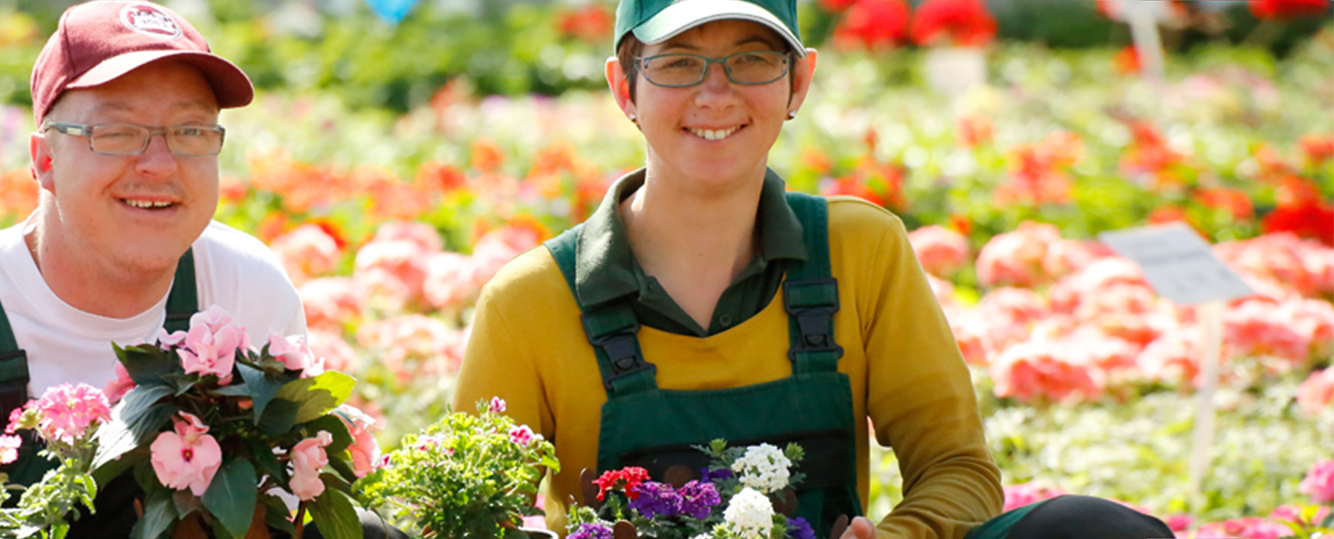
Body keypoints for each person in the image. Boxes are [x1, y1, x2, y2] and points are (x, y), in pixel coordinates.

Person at [450, 1, 1176, 539]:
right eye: (677, 63)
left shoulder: (859, 251)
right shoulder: (532, 300)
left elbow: (957, 466)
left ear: (799, 81)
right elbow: (471, 516)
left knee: (1091, 530)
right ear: (623, 87)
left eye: (752, 59)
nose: (715, 93)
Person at [0, 3, 405, 538]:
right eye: (117, 133)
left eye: (190, 131)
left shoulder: (243, 285)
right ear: (45, 160)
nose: (158, 163)